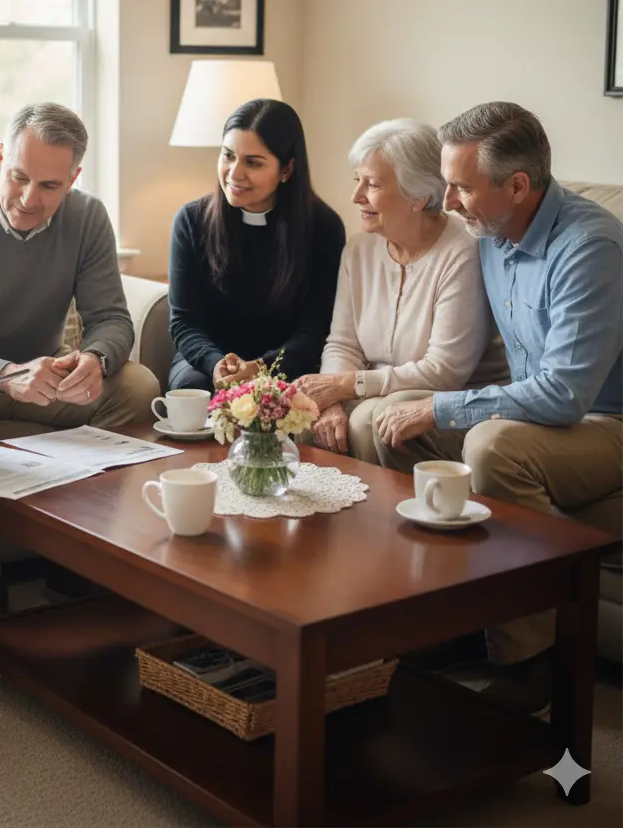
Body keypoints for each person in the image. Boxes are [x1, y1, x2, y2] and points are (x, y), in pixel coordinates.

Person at [372, 102, 623, 716]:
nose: (449, 201)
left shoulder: (590, 248)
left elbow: (564, 394)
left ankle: (531, 657)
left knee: (490, 444)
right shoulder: (491, 235)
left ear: (517, 185)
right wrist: (408, 397)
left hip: (606, 422)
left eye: (461, 186)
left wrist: (445, 409)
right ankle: (449, 616)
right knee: (390, 418)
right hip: (535, 415)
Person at [0, 103, 161, 583]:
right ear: (0, 155)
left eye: (49, 186)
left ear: (74, 177)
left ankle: (83, 556)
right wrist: (6, 374)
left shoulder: (88, 218)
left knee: (139, 385)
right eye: (18, 176)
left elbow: (112, 319)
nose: (28, 198)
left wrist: (96, 359)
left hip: (43, 375)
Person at [294, 119, 505, 461]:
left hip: (446, 397)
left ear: (419, 196)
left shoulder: (463, 252)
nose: (356, 196)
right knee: (307, 417)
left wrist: (348, 386)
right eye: (357, 180)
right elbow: (343, 343)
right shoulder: (359, 250)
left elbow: (443, 371)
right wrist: (330, 400)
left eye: (372, 184)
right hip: (374, 391)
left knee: (368, 421)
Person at [167, 98, 345, 394]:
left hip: (288, 364)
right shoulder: (191, 220)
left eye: (253, 162)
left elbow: (317, 327)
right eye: (228, 156)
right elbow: (185, 321)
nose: (234, 173)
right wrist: (216, 364)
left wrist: (262, 367)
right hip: (207, 362)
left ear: (287, 169)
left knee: (271, 397)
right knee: (193, 391)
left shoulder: (323, 227)